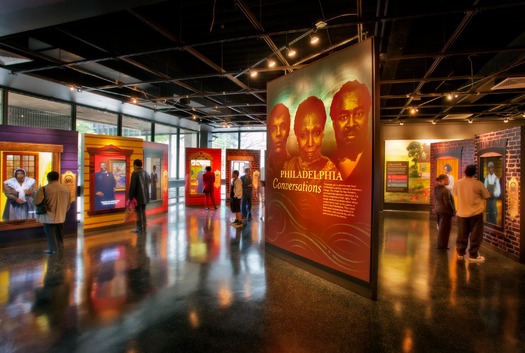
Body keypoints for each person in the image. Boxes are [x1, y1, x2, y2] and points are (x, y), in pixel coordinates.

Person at [329, 80, 372, 181]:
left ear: (368, 116)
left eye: (358, 114)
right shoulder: (327, 164)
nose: (351, 124)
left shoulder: (375, 161)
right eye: (343, 117)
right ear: (334, 124)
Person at [282, 96, 338, 173]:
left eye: (316, 133)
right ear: (296, 135)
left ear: (322, 133)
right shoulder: (288, 167)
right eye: (303, 135)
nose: (310, 143)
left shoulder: (331, 171)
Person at [452, 164, 490, 263]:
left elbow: (455, 193)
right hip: (476, 213)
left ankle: (460, 254)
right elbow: (486, 196)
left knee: (461, 234)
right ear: (474, 173)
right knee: (475, 235)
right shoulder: (478, 184)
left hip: (461, 213)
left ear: (465, 172)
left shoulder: (458, 183)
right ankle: (473, 255)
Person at [35, 171, 72, 255]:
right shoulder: (66, 189)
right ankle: (60, 246)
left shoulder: (44, 189)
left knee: (50, 233)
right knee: (59, 232)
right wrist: (62, 211)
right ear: (58, 178)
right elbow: (69, 203)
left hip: (49, 216)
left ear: (48, 178)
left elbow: (37, 201)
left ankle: (53, 249)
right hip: (61, 215)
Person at [266, 103, 291, 177]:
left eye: (283, 127)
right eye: (274, 128)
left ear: (288, 130)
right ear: (269, 132)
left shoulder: (295, 166)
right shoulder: (266, 164)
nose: (278, 133)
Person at [433, 174, 456, 250]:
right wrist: (453, 210)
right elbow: (448, 203)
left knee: (441, 228)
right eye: (446, 179)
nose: (448, 181)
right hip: (445, 212)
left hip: (438, 210)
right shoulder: (445, 190)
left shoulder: (436, 189)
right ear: (441, 181)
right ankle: (442, 245)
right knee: (445, 229)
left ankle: (440, 244)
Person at [129, 159, 151, 234]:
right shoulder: (146, 173)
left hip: (138, 197)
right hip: (145, 197)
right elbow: (149, 183)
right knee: (143, 211)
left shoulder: (135, 173)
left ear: (135, 165)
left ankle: (139, 228)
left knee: (138, 212)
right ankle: (144, 226)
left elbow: (133, 187)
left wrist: (130, 197)